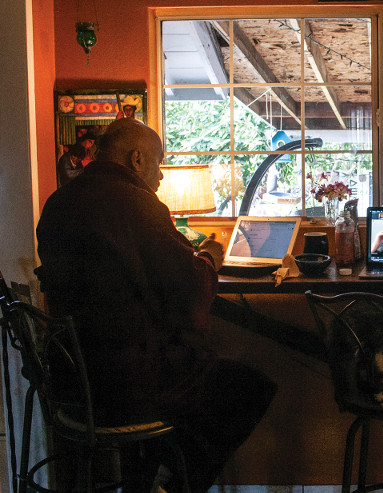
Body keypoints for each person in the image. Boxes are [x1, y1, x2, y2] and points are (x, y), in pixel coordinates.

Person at [36, 117, 276, 492]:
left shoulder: (57, 202)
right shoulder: (136, 204)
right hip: (129, 384)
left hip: (71, 383)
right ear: (136, 159)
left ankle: (147, 478)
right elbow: (189, 290)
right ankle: (171, 484)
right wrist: (210, 256)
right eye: (158, 163)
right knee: (248, 388)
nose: (161, 176)